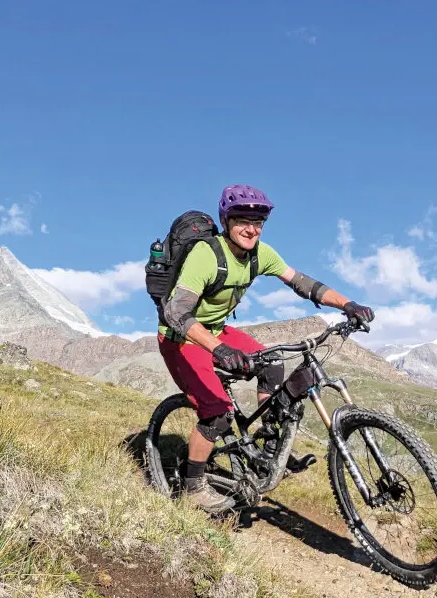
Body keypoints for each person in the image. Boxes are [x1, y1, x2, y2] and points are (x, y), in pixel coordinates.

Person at [156, 184, 375, 514]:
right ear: (226, 221)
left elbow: (302, 282)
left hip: (215, 331)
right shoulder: (207, 255)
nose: (251, 229)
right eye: (242, 220)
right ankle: (193, 487)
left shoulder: (261, 254)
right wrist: (219, 349)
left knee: (272, 364)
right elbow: (175, 312)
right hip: (181, 338)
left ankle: (268, 448)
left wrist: (348, 304)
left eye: (258, 222)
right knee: (216, 413)